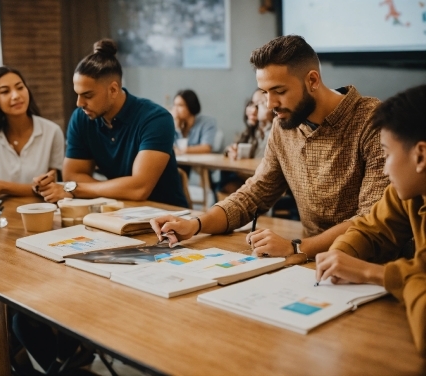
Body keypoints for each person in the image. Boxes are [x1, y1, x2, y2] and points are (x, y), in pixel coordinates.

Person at [151, 35, 388, 260]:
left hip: (371, 263)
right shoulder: (284, 125)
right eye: (265, 92)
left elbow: (372, 218)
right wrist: (196, 225)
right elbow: (254, 194)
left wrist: (296, 247)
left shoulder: (373, 120)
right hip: (313, 261)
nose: (270, 104)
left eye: (279, 91)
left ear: (313, 81)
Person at [316, 84, 426, 357]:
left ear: (420, 155)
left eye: (387, 154)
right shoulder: (411, 191)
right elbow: (371, 229)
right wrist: (340, 255)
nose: (385, 168)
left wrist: (372, 273)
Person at [35, 39, 187, 208]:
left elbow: (139, 188)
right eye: (77, 94)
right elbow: (73, 175)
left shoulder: (156, 119)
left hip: (167, 216)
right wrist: (114, 189)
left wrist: (74, 189)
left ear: (113, 90)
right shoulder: (81, 118)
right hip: (116, 211)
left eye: (88, 95)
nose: (79, 103)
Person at [0, 66, 64, 199]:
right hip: (1, 211)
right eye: (5, 92)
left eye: (20, 87)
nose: (16, 96)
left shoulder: (52, 131)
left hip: (41, 209)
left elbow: (51, 188)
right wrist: (31, 188)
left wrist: (2, 186)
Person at [218, 89, 274, 197]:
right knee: (225, 179)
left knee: (228, 184)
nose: (252, 110)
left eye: (260, 104)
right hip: (247, 179)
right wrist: (231, 151)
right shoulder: (252, 131)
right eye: (252, 104)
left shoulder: (274, 132)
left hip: (262, 184)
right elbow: (234, 146)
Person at [172, 89, 217, 155]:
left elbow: (206, 148)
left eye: (180, 105)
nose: (175, 109)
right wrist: (177, 127)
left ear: (190, 106)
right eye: (174, 105)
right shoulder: (175, 123)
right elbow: (170, 147)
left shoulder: (207, 122)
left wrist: (183, 150)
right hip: (179, 162)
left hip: (198, 163)